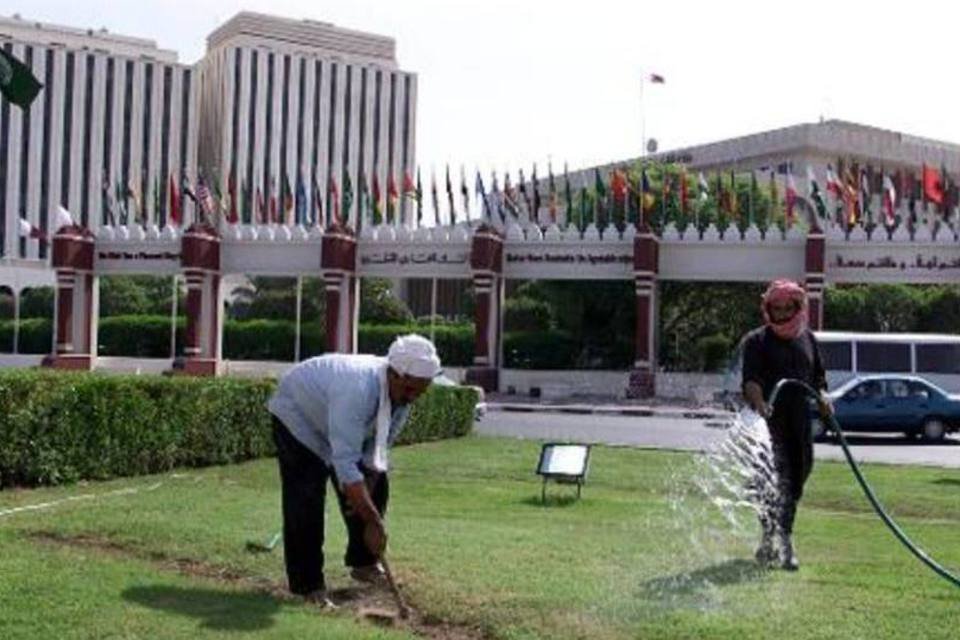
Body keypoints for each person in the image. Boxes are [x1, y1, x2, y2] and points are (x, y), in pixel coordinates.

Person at [267, 334, 441, 604]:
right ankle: (308, 585)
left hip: (335, 422)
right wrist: (372, 521)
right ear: (393, 374)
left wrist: (364, 497)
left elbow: (376, 453)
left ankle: (364, 563)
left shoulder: (403, 397)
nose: (413, 397)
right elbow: (345, 463)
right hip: (298, 417)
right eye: (410, 389)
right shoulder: (357, 389)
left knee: (377, 486)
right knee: (306, 499)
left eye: (421, 391)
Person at [740, 279, 832, 571]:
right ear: (767, 308)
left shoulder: (808, 339)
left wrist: (824, 398)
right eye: (775, 307)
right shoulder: (757, 341)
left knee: (795, 482)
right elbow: (751, 381)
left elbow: (818, 378)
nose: (780, 313)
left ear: (797, 306)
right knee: (770, 484)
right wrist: (760, 403)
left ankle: (780, 535)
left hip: (800, 423)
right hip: (768, 425)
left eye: (786, 307)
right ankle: (775, 541)